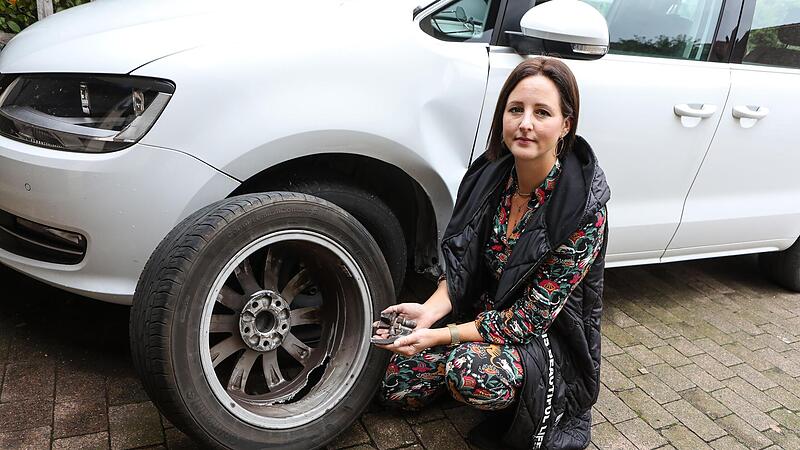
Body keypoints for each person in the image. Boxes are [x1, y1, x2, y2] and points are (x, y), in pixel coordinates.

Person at [373, 57, 610, 450]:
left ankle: (475, 367)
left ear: (566, 124)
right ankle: (456, 357)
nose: (525, 123)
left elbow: (528, 320)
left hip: (545, 338)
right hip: (481, 313)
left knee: (473, 375)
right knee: (396, 385)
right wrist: (430, 310)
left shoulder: (582, 211)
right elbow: (463, 263)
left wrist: (442, 335)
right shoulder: (488, 175)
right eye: (515, 109)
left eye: (542, 112)